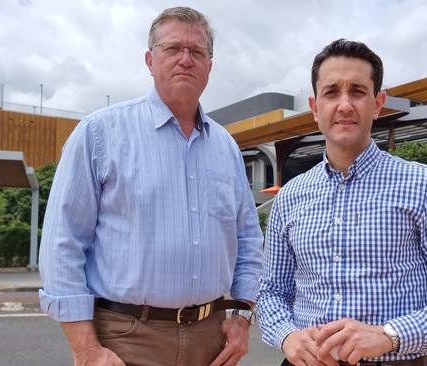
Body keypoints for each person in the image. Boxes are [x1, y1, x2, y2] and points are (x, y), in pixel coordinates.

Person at [38, 7, 263, 366]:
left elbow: (249, 241)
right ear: (150, 59)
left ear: (210, 64)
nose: (186, 60)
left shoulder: (226, 147)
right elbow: (63, 244)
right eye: (173, 49)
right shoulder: (100, 133)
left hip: (211, 339)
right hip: (126, 338)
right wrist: (85, 348)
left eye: (197, 52)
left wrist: (242, 316)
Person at [257, 39, 427, 366]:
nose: (344, 105)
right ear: (315, 108)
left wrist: (390, 334)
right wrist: (287, 336)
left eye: (357, 91)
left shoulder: (425, 186)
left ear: (378, 103)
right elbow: (271, 292)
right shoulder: (291, 195)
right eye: (331, 92)